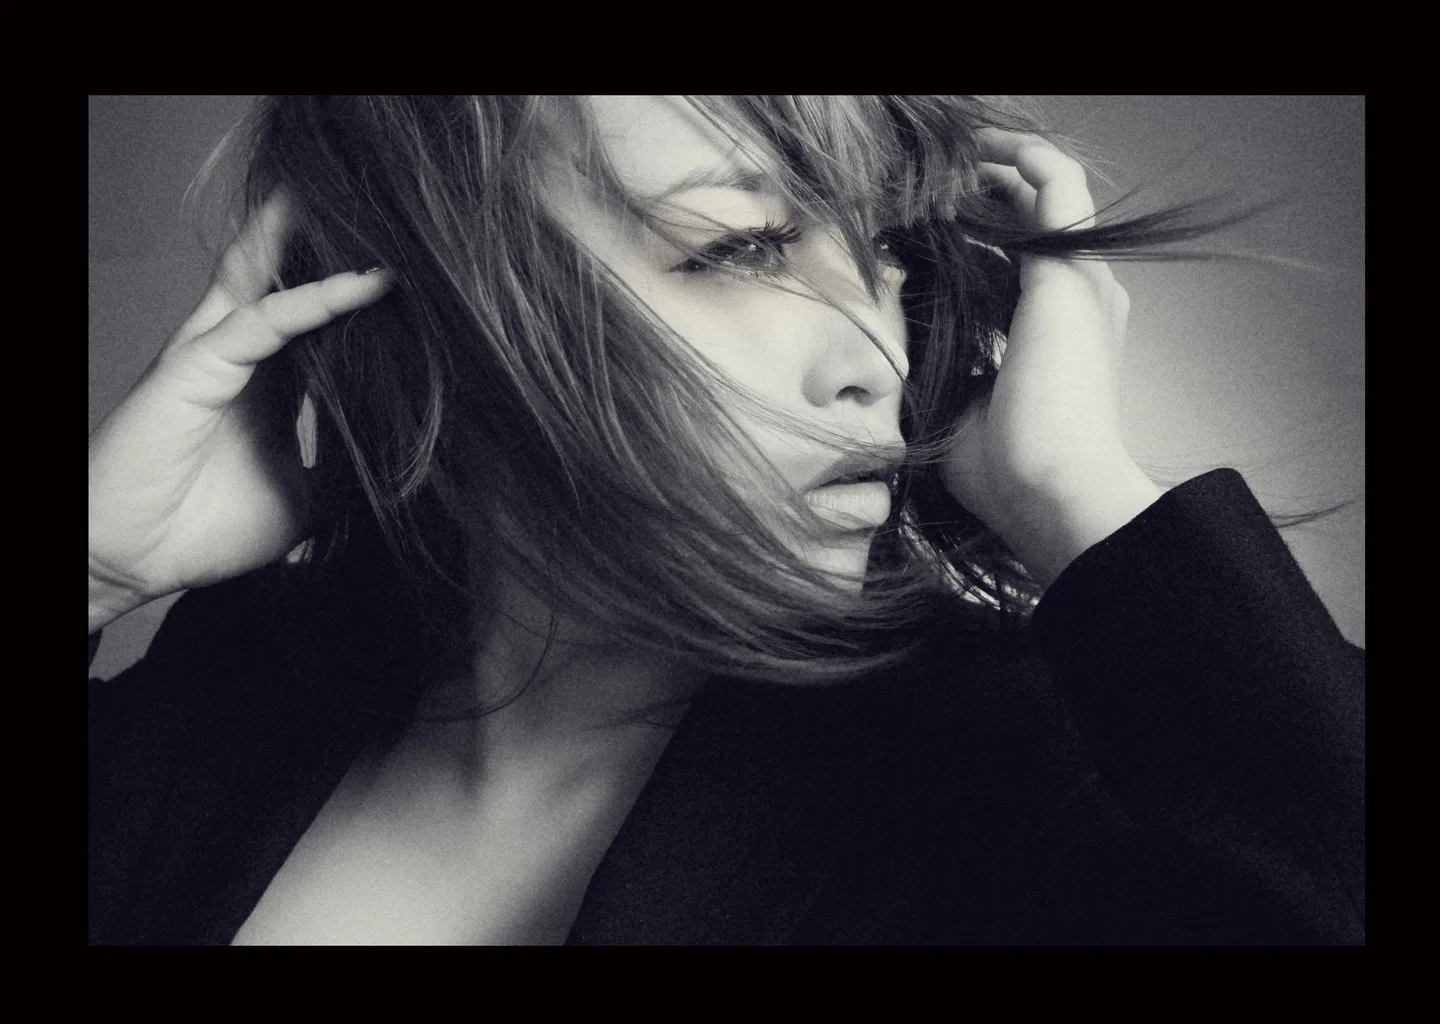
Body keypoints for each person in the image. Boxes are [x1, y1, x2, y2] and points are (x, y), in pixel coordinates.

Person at [88, 95, 1365, 945]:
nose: (876, 353)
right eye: (742, 248)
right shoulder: (234, 691)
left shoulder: (1001, 781)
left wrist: (1073, 491)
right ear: (421, 300)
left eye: (888, 254)